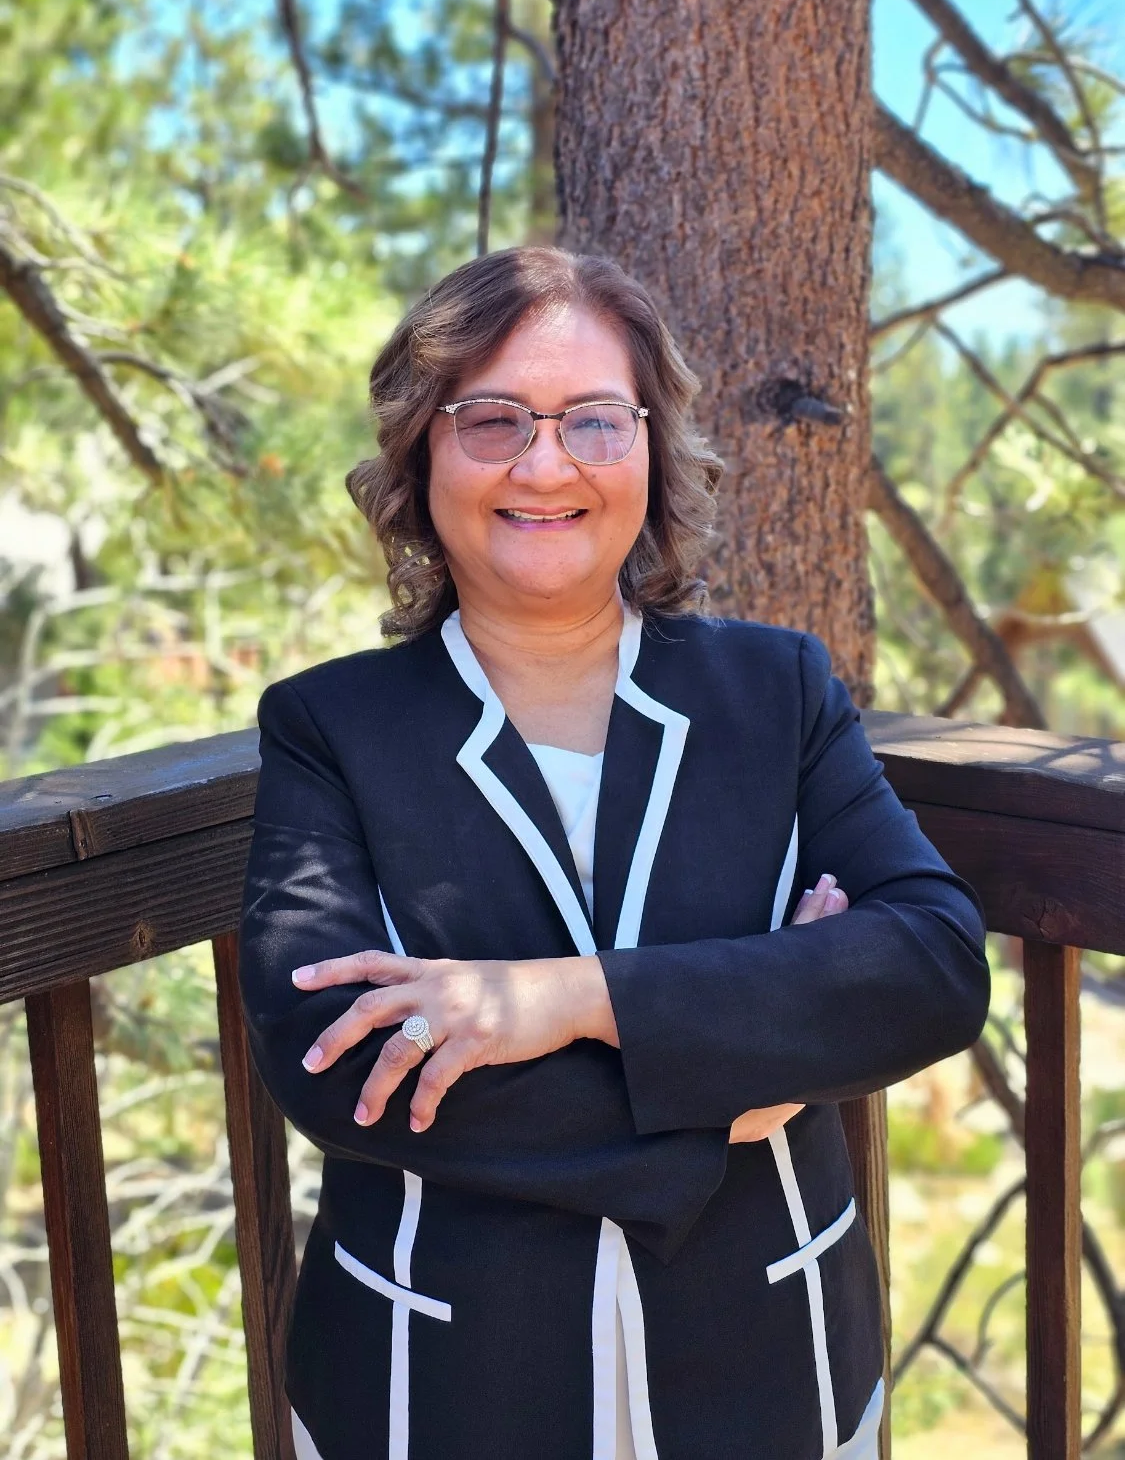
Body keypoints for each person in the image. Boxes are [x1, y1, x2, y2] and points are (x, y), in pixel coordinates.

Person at [238, 246, 989, 1460]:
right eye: (490, 420)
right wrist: (735, 1068)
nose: (546, 464)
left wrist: (560, 1001)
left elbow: (933, 962)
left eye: (594, 419)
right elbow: (330, 1056)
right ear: (421, 453)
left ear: (651, 449)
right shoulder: (331, 725)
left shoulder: (777, 690)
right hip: (443, 1383)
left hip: (769, 1367)